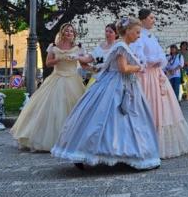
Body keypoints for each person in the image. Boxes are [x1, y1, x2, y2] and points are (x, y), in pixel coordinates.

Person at [52, 17, 160, 171]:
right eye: (136, 32)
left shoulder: (120, 45)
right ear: (128, 31)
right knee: (113, 118)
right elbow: (123, 68)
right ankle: (105, 152)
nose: (138, 35)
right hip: (117, 84)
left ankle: (119, 152)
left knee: (117, 119)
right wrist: (139, 68)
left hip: (117, 83)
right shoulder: (121, 46)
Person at [9, 23, 86, 151]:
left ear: (74, 34)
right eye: (66, 31)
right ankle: (48, 140)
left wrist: (93, 66)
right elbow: (48, 63)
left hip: (73, 80)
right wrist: (59, 59)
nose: (69, 33)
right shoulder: (53, 47)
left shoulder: (78, 48)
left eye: (71, 31)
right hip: (57, 78)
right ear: (62, 32)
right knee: (52, 107)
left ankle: (73, 139)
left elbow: (83, 63)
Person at [131, 9, 188, 157]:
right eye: (151, 18)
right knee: (149, 105)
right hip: (145, 76)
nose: (154, 20)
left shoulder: (151, 36)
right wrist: (151, 61)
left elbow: (160, 54)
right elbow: (137, 57)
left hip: (156, 74)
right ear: (143, 20)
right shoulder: (139, 36)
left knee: (163, 108)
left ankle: (158, 143)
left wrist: (159, 60)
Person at [80, 23, 118, 88]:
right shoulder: (99, 46)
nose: (107, 33)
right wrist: (78, 56)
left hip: (112, 78)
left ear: (116, 34)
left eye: (110, 32)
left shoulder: (118, 46)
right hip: (97, 76)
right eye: (106, 31)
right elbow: (88, 59)